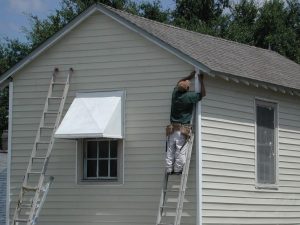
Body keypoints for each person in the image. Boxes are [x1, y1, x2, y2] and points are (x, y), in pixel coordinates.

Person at [165, 71, 206, 175]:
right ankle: (178, 170)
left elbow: (179, 82)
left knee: (170, 150)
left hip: (172, 129)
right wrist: (201, 80)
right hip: (182, 129)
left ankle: (169, 169)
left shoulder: (175, 94)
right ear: (187, 89)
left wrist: (189, 76)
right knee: (180, 150)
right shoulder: (189, 97)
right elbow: (203, 94)